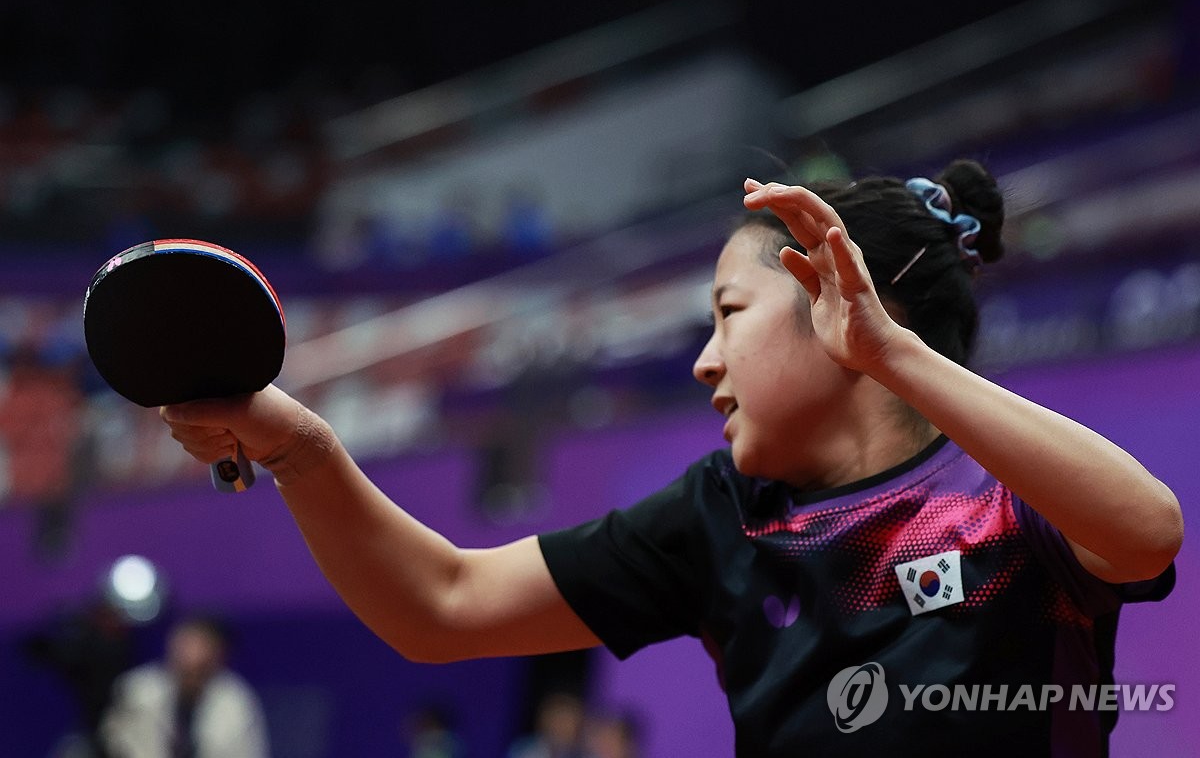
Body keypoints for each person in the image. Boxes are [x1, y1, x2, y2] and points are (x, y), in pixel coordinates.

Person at [159, 160, 1182, 756]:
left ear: (836, 303)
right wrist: (302, 449)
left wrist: (891, 354)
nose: (704, 361)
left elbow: (1146, 533)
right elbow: (442, 607)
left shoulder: (1008, 497)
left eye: (730, 314)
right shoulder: (722, 515)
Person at [99, 614, 268, 758]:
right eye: (185, 646)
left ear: (218, 656)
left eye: (200, 666)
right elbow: (115, 743)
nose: (190, 657)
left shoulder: (237, 701)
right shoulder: (136, 689)